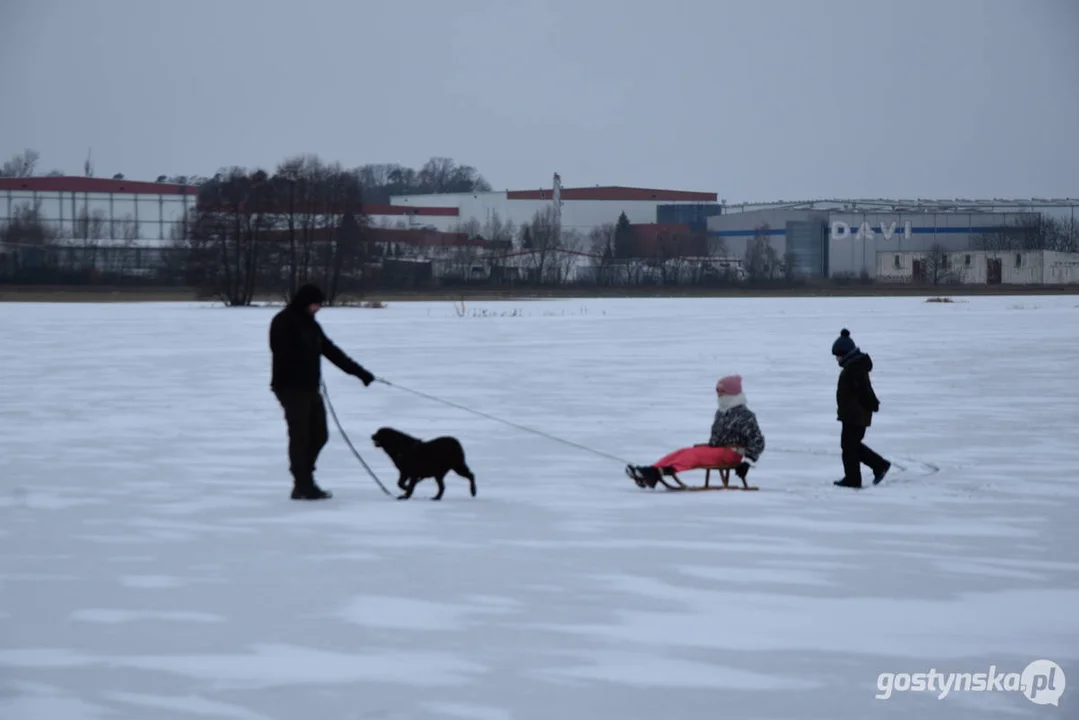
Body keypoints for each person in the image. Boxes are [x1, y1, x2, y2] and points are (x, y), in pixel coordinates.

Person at [270, 283, 376, 500]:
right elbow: (282, 352)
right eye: (316, 304)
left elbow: (331, 351)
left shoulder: (311, 324)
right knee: (300, 436)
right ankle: (303, 483)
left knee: (319, 435)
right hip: (290, 387)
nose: (318, 308)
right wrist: (305, 361)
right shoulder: (283, 321)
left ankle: (303, 479)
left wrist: (360, 373)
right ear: (306, 302)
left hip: (310, 388)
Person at [626, 375, 765, 488]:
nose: (718, 394)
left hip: (731, 453)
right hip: (717, 450)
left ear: (730, 392)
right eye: (717, 390)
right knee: (683, 452)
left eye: (721, 390)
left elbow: (757, 440)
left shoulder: (744, 415)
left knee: (695, 455)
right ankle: (651, 470)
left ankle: (657, 472)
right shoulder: (722, 412)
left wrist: (747, 462)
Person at [831, 328, 891, 488]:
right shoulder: (853, 366)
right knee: (851, 446)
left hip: (855, 416)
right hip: (853, 414)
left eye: (838, 355)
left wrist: (871, 405)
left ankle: (858, 477)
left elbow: (864, 391)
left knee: (850, 446)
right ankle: (873, 469)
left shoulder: (854, 369)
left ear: (845, 353)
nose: (837, 358)